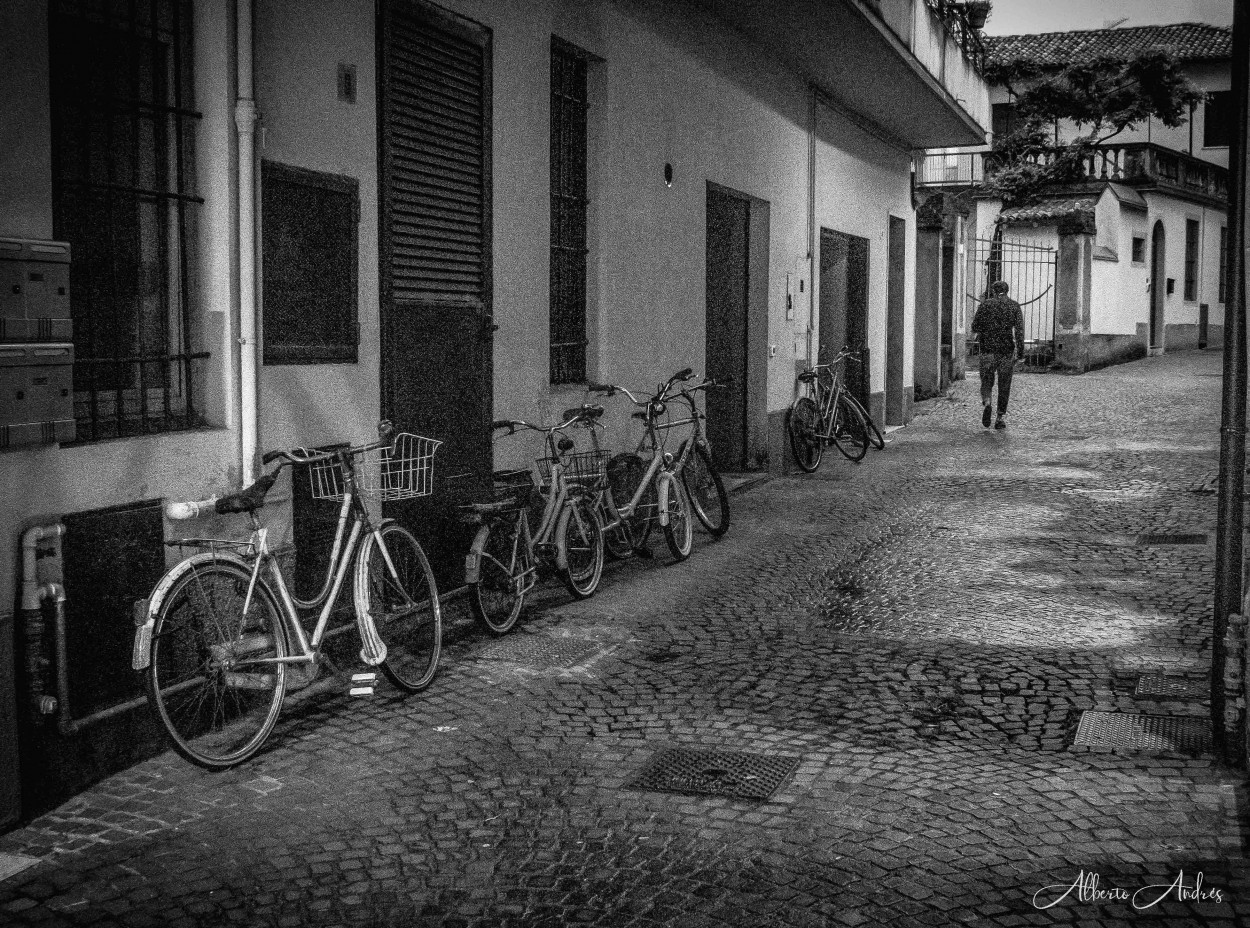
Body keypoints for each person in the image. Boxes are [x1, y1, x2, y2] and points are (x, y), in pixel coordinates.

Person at [971, 280, 1024, 430]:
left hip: (987, 349)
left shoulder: (986, 305)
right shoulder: (1014, 306)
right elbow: (1019, 331)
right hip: (1006, 351)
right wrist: (1020, 352)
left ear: (993, 291)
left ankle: (987, 402)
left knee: (986, 380)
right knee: (1004, 384)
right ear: (1007, 291)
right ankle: (999, 417)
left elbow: (975, 326)